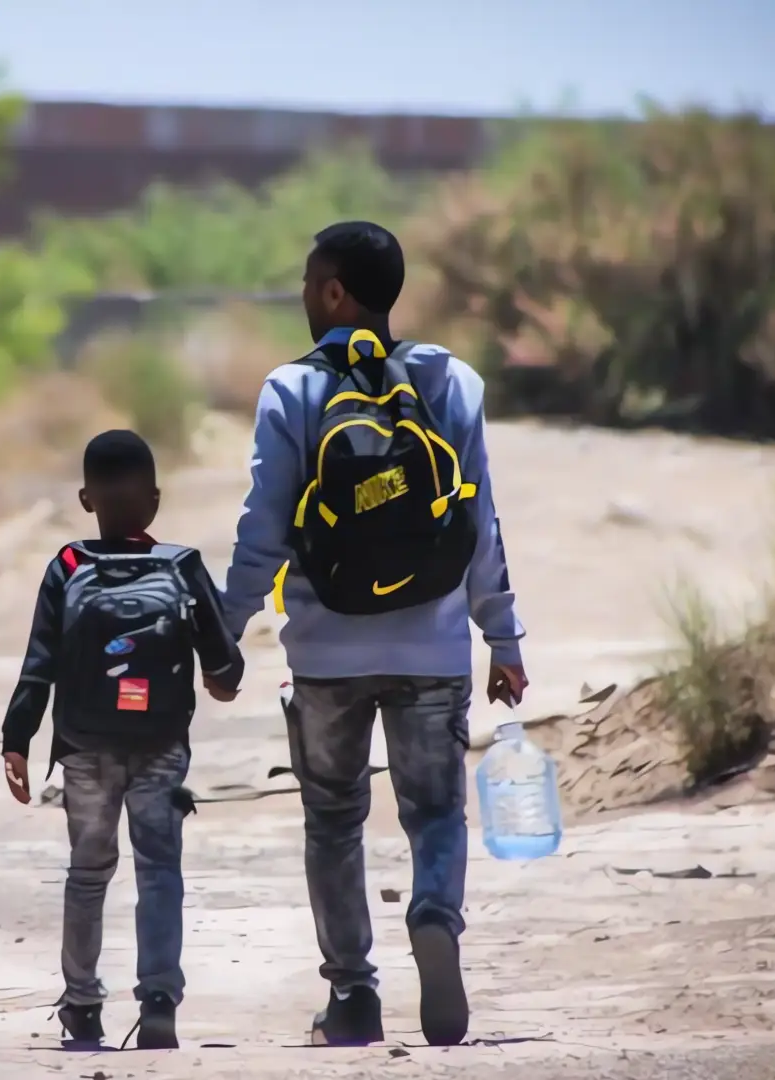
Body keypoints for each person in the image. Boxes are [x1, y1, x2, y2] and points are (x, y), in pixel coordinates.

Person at [221, 221, 529, 1048]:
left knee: (332, 819)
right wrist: (503, 638)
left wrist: (223, 631)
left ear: (332, 292)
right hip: (432, 649)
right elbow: (479, 523)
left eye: (307, 281)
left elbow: (264, 531)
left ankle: (353, 995)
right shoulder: (451, 381)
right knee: (434, 814)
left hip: (325, 652)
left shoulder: (292, 390)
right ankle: (433, 914)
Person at [0, 428, 245, 1051]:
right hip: (161, 744)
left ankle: (82, 1004)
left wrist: (16, 739)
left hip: (82, 747)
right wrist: (218, 681)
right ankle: (158, 996)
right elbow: (227, 669)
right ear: (155, 500)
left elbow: (40, 661)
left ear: (87, 500)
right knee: (159, 869)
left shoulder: (69, 565)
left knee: (88, 873)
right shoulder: (182, 565)